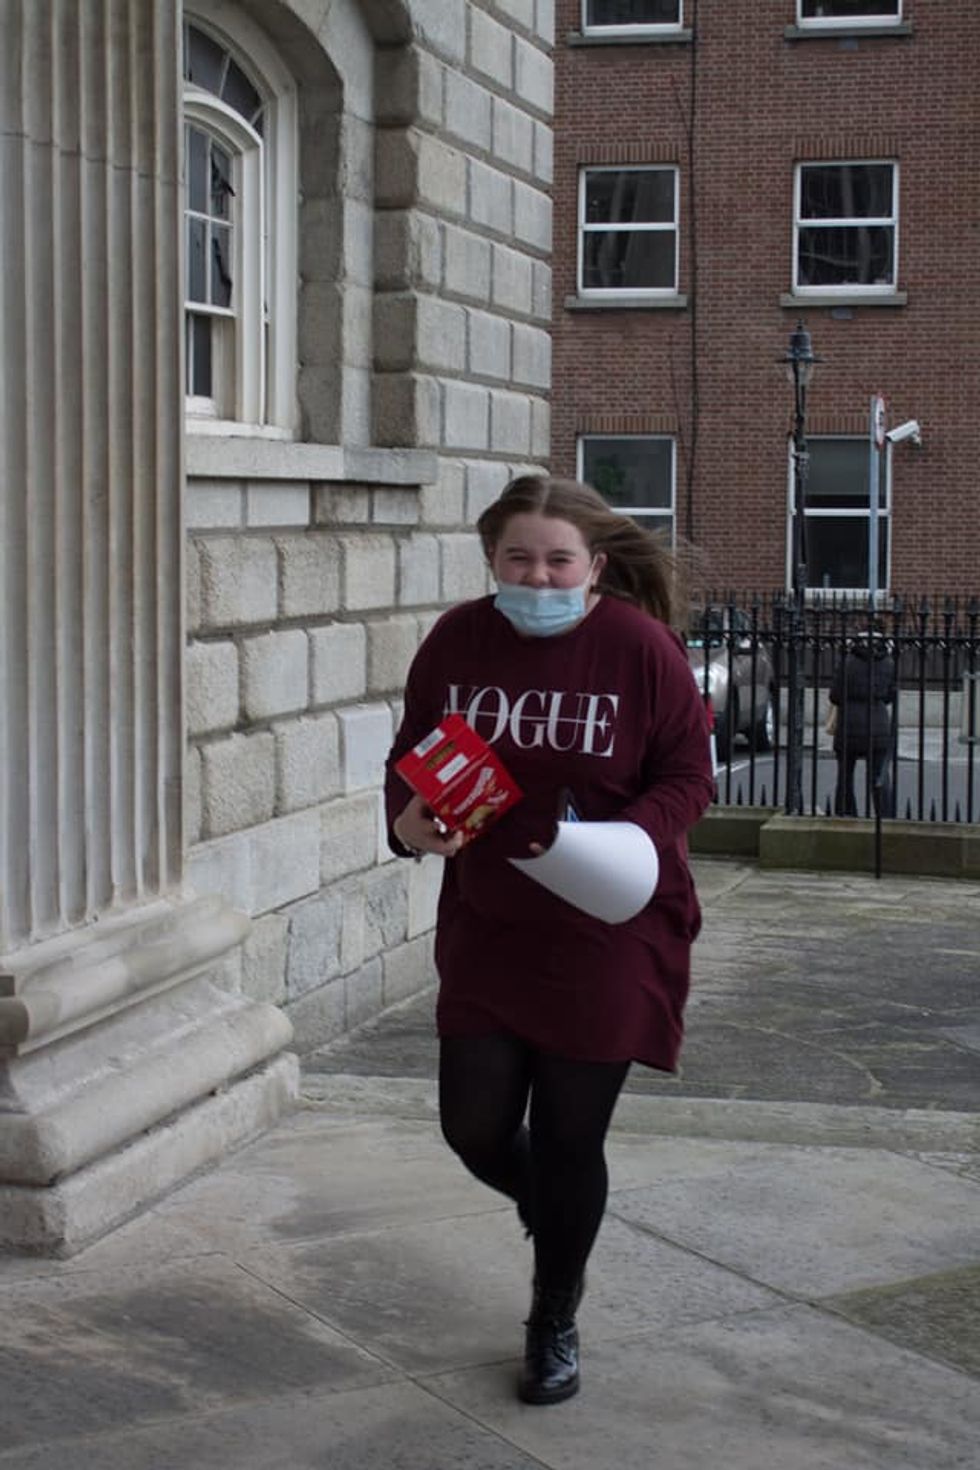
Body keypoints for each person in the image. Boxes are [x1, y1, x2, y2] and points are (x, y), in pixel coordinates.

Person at [384, 476, 714, 1406]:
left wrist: (626, 838)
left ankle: (553, 1316)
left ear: (595, 566)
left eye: (557, 559)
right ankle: (554, 1211)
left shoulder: (640, 649)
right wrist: (408, 825)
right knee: (473, 1125)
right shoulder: (457, 639)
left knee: (573, 1139)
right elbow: (413, 750)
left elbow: (689, 776)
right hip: (490, 920)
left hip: (609, 925)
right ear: (492, 560)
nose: (538, 574)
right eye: (517, 558)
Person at [829, 628, 897, 818]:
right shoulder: (888, 662)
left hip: (848, 726)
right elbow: (890, 695)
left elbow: (835, 696)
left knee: (844, 777)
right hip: (879, 726)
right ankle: (885, 817)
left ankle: (845, 815)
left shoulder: (846, 662)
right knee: (879, 777)